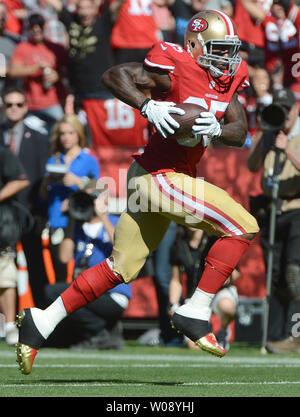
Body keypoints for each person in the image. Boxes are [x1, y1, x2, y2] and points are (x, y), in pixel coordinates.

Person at [16, 10, 260, 375]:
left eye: (229, 50)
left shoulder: (228, 77)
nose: (226, 58)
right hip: (158, 175)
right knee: (242, 225)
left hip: (161, 178)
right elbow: (113, 75)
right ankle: (195, 309)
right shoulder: (173, 63)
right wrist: (146, 104)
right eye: (217, 49)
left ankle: (43, 321)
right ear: (193, 46)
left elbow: (239, 130)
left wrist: (216, 129)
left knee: (121, 267)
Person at [43, 185, 132, 349]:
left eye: (93, 198)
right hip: (86, 290)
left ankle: (100, 334)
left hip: (112, 294)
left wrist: (103, 216)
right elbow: (64, 257)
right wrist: (71, 216)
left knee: (57, 293)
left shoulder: (116, 221)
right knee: (57, 294)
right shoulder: (77, 227)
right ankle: (106, 331)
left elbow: (123, 247)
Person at [247, 87, 300, 353]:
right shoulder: (269, 133)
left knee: (294, 273)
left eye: (286, 109)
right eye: (278, 108)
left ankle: (296, 334)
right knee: (276, 275)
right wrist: (261, 132)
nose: (283, 114)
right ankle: (276, 336)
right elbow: (252, 166)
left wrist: (287, 149)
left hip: (297, 207)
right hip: (273, 209)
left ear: (296, 109)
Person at [0, 86, 50, 308]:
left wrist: (42, 213)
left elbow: (43, 177)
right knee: (3, 269)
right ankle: (6, 323)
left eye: (19, 104)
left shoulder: (39, 138)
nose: (13, 109)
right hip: (3, 213)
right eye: (9, 104)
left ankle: (41, 320)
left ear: (26, 107)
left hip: (31, 213)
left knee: (36, 266)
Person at [40, 114, 100, 283]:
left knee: (79, 273)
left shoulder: (89, 160)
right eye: (62, 133)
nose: (66, 137)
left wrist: (78, 182)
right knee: (59, 273)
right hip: (57, 221)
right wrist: (46, 182)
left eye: (70, 133)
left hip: (80, 221)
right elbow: (44, 196)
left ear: (79, 134)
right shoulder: (54, 159)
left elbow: (99, 190)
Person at [169, 230, 240, 350]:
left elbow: (236, 273)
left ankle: (223, 331)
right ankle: (206, 327)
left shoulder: (216, 241)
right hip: (195, 294)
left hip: (218, 291)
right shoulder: (179, 244)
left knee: (226, 306)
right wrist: (173, 304)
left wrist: (226, 274)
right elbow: (176, 280)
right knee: (194, 346)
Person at [8, 13, 68, 128]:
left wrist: (57, 75)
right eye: (33, 26)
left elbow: (68, 71)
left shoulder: (56, 48)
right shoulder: (22, 48)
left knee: (60, 132)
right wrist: (36, 68)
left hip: (53, 102)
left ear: (44, 27)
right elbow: (13, 72)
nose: (36, 29)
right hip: (31, 104)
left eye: (39, 25)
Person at [0, 145, 30, 345]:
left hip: (2, 221)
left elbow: (21, 180)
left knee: (4, 273)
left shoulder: (2, 152)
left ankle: (10, 326)